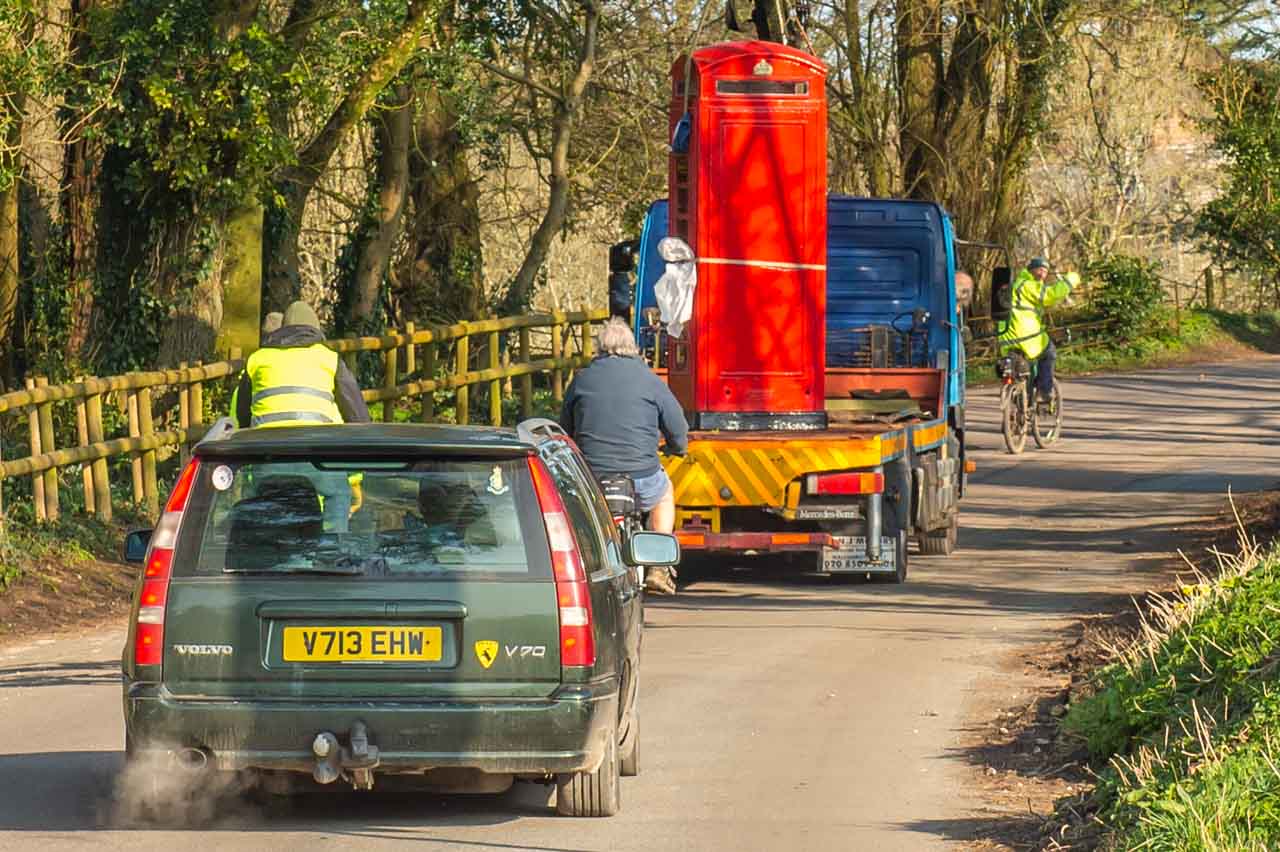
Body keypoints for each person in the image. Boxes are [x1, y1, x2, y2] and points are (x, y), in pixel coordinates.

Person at [561, 317, 689, 594]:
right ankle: (657, 565)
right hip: (641, 477)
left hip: (593, 478)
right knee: (664, 495)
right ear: (632, 347)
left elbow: (565, 429)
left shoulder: (582, 379)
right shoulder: (649, 380)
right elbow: (678, 425)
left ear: (599, 347)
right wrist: (676, 448)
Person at [233, 300, 371, 531]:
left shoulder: (257, 360)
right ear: (316, 329)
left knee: (265, 509)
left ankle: (264, 555)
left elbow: (242, 416)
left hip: (267, 459)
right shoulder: (328, 358)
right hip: (316, 456)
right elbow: (357, 417)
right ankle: (331, 553)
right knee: (338, 495)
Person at [997, 258, 1074, 403]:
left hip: (1007, 338)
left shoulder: (1013, 285)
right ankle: (1043, 392)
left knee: (1020, 370)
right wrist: (1070, 281)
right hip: (1026, 337)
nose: (1042, 274)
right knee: (1049, 352)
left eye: (1045, 271)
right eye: (1040, 269)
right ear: (1030, 270)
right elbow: (1051, 295)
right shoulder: (1027, 285)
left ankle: (1016, 408)